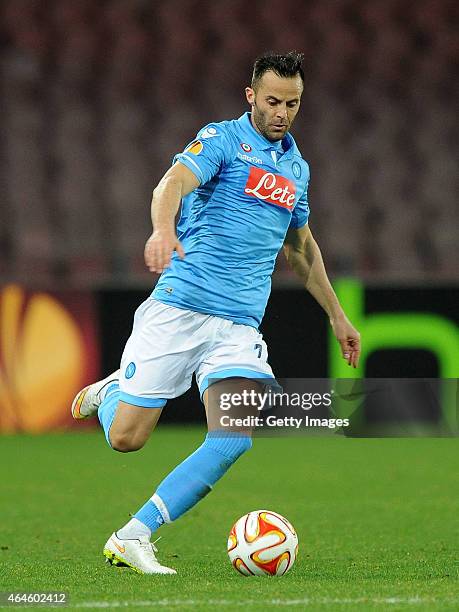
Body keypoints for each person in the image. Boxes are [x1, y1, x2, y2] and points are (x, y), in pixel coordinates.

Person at [71, 51, 361, 575]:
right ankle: (111, 393)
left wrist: (338, 317)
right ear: (251, 96)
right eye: (272, 100)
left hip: (238, 326)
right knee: (126, 439)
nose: (282, 112)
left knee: (234, 436)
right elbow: (171, 185)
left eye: (292, 103)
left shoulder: (296, 168)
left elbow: (300, 250)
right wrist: (163, 229)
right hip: (181, 307)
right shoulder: (222, 140)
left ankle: (134, 535)